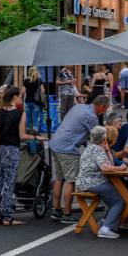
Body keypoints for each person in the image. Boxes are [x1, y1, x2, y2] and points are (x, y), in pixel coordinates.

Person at [0, 86, 48, 226]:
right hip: (12, 149)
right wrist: (36, 138)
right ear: (14, 97)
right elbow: (22, 135)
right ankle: (7, 217)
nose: (21, 98)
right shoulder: (21, 113)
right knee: (9, 183)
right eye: (20, 96)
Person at [48, 95, 110, 224]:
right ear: (101, 106)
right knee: (71, 181)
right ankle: (67, 214)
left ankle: (57, 210)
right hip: (67, 148)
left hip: (55, 143)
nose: (104, 112)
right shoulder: (92, 116)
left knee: (60, 178)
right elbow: (96, 136)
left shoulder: (79, 107)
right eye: (105, 109)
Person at [74, 126, 127, 238]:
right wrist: (120, 168)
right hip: (93, 182)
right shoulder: (98, 149)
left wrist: (107, 148)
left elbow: (111, 163)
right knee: (120, 200)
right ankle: (105, 228)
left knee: (115, 199)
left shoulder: (92, 147)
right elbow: (105, 167)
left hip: (85, 182)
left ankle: (104, 222)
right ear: (104, 139)